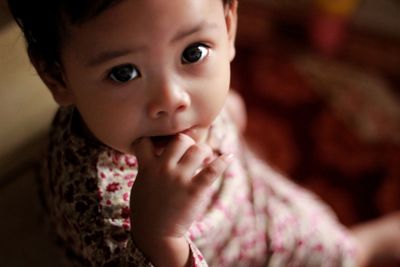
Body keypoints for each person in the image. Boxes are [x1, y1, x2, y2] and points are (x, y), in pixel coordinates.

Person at [7, 0, 400, 266]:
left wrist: (227, 110)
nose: (172, 99)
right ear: (57, 76)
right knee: (332, 255)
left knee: (309, 223)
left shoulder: (144, 119)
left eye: (192, 53)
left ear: (228, 28)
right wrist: (160, 238)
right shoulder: (103, 209)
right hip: (229, 255)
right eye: (123, 73)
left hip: (254, 204)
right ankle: (361, 248)